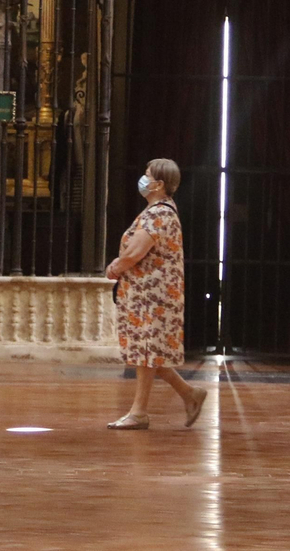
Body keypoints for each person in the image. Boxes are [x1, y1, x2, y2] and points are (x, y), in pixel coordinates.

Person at [105, 158, 207, 430]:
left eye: (147, 175)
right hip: (147, 295)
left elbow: (136, 251)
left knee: (147, 350)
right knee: (147, 352)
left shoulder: (158, 214)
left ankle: (139, 412)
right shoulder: (159, 211)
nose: (143, 178)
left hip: (151, 297)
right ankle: (189, 394)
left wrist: (116, 266)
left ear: (159, 184)